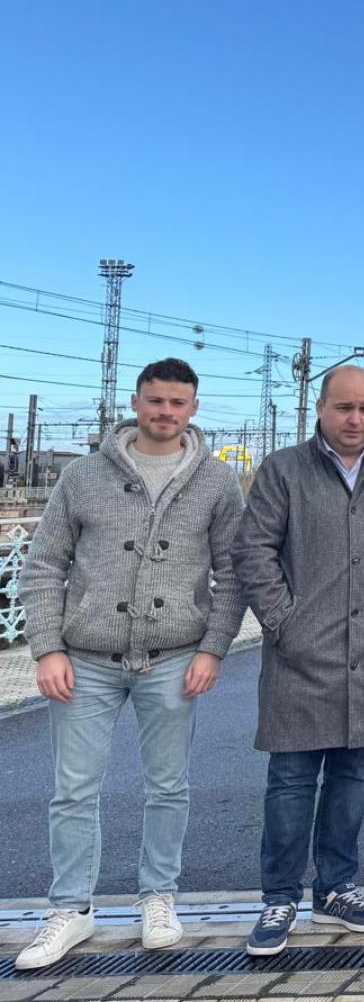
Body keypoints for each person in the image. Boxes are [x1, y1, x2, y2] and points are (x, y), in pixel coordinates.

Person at [16, 360, 246, 971]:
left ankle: (159, 898)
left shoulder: (218, 482)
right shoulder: (85, 476)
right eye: (154, 401)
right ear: (136, 401)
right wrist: (47, 647)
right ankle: (71, 908)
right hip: (84, 658)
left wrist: (212, 647)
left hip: (175, 657)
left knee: (168, 787)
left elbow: (233, 576)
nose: (164, 412)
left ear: (193, 408)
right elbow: (42, 566)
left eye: (177, 402)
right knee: (73, 790)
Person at [232, 365, 364, 956]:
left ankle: (336, 887)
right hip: (301, 652)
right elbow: (254, 549)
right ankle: (279, 896)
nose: (355, 419)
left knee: (354, 775)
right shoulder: (284, 470)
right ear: (319, 408)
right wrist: (283, 621)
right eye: (344, 407)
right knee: (291, 779)